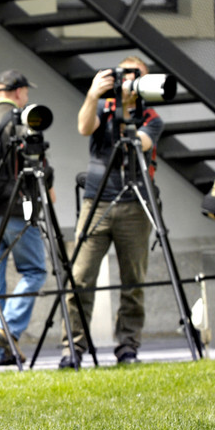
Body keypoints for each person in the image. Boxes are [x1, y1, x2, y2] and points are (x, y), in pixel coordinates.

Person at [61, 56, 164, 368]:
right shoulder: (102, 110)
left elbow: (139, 144)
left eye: (137, 77)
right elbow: (83, 127)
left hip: (135, 203)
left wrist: (128, 112)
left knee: (133, 280)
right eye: (125, 76)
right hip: (97, 201)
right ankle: (73, 348)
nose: (129, 82)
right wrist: (94, 94)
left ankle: (128, 346)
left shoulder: (151, 116)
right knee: (79, 277)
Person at [0, 70, 49, 366]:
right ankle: (9, 327)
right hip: (16, 208)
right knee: (36, 270)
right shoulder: (22, 120)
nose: (27, 98)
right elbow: (39, 164)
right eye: (26, 92)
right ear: (18, 92)